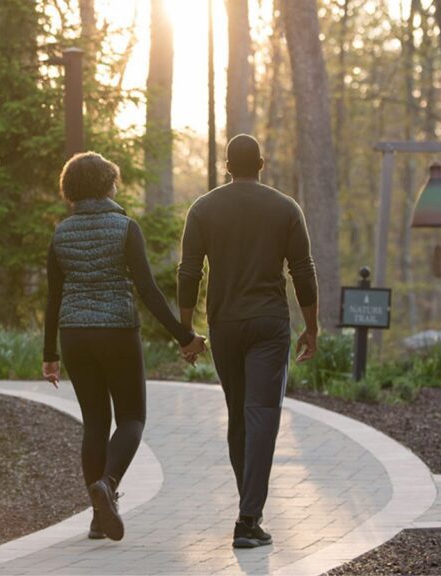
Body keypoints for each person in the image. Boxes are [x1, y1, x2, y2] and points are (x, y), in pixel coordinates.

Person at [42, 152, 206, 542]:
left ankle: (98, 521)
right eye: (113, 180)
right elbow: (148, 291)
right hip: (116, 330)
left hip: (74, 334)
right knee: (132, 417)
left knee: (95, 423)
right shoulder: (125, 227)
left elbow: (52, 297)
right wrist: (185, 337)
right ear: (106, 184)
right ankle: (108, 485)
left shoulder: (61, 232)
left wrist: (50, 354)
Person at [177, 135, 318, 549]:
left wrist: (187, 333)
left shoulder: (203, 209)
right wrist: (312, 327)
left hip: (225, 325)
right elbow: (303, 272)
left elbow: (189, 273)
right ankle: (248, 517)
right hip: (269, 324)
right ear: (261, 163)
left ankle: (248, 512)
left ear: (226, 166)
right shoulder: (285, 208)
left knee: (239, 416)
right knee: (261, 416)